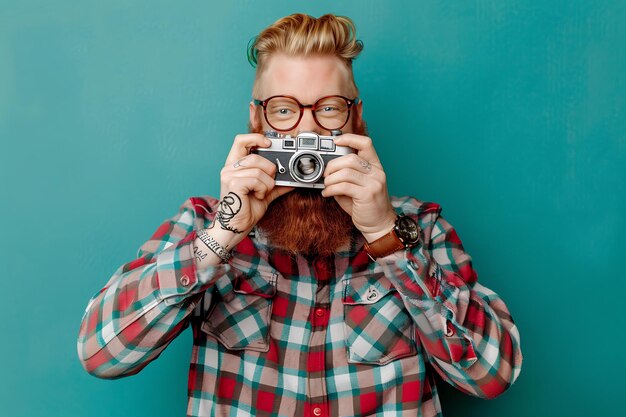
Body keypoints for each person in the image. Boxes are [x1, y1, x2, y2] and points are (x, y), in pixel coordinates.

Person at [77, 13, 522, 417]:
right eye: (284, 110)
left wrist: (387, 235)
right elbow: (102, 354)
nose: (307, 131)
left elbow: (489, 376)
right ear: (257, 120)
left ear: (356, 118)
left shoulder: (417, 229)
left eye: (328, 108)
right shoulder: (204, 224)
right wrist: (223, 234)